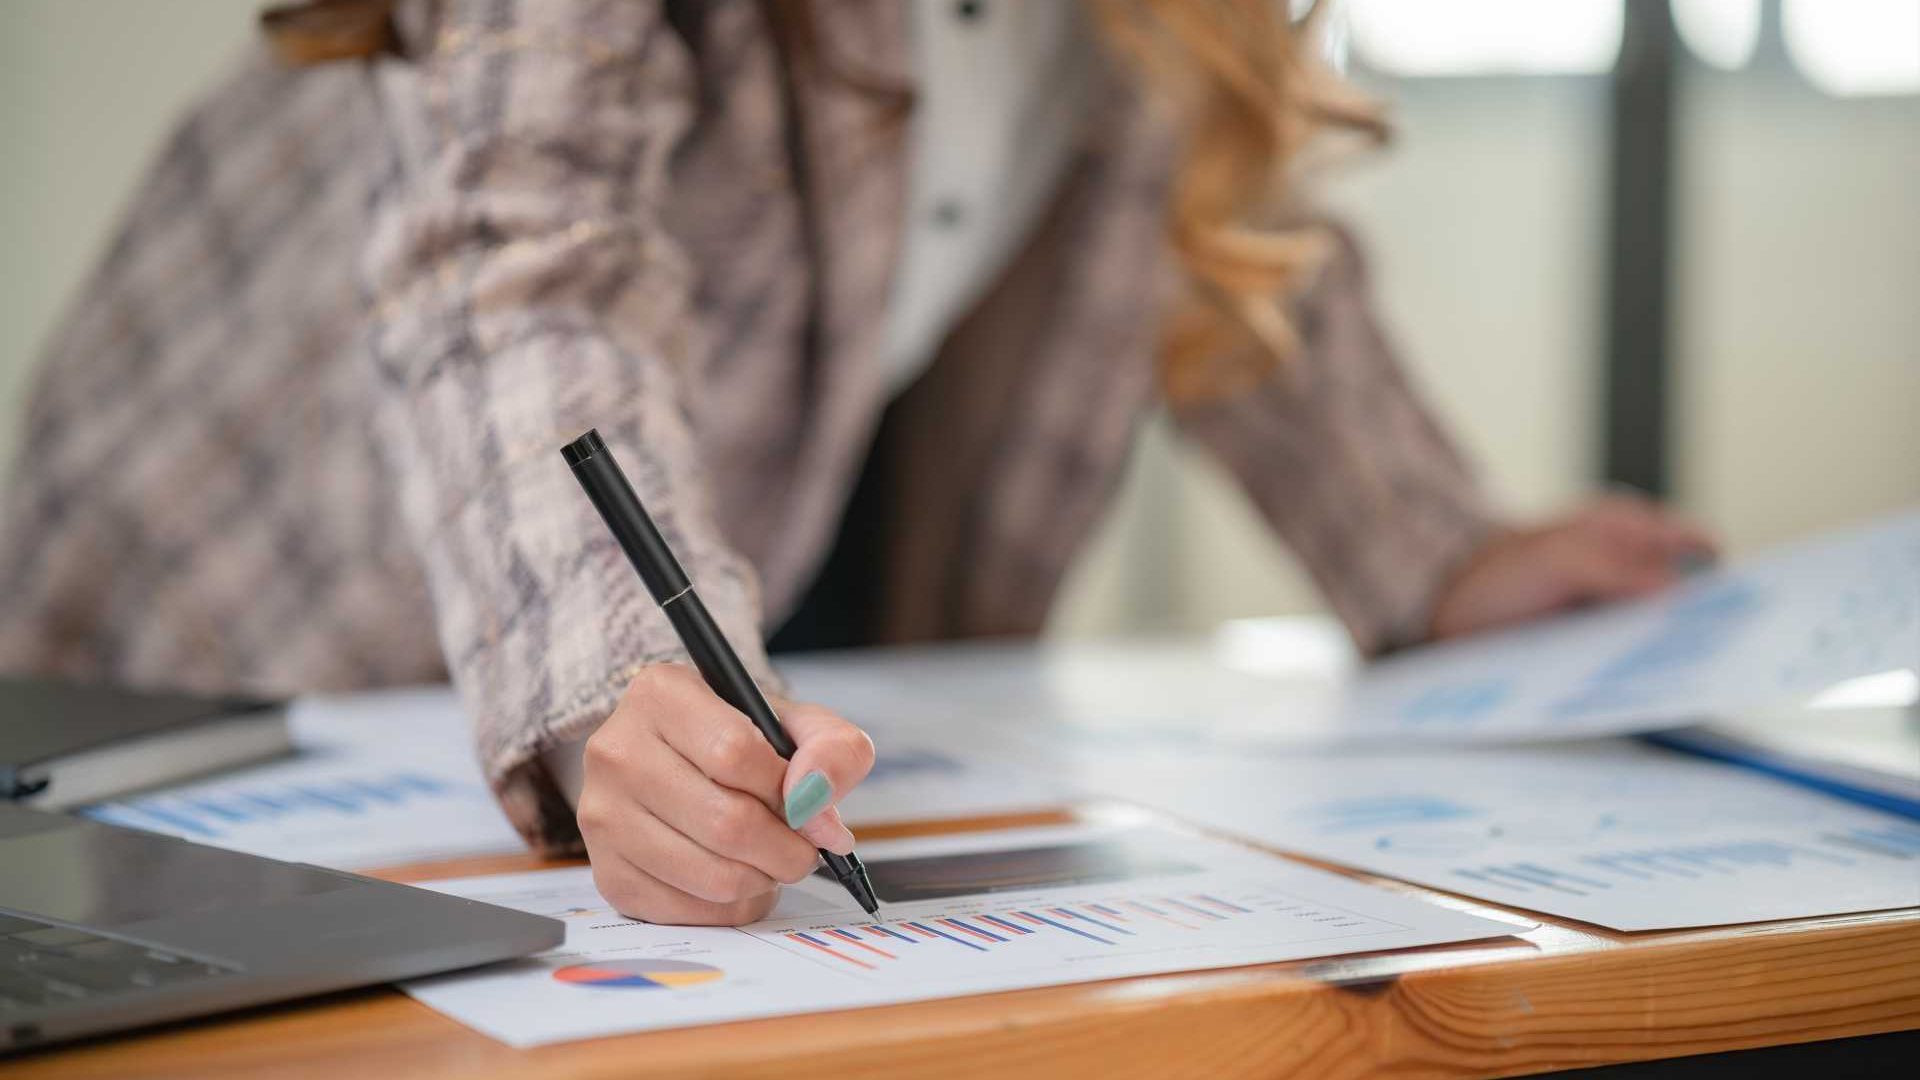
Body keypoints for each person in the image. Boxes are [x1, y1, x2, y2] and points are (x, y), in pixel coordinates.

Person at [0, 0, 1711, 925]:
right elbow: (512, 260)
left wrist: (1440, 551)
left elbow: (1223, 234)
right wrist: (626, 673)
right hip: (238, 623)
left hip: (730, 655)